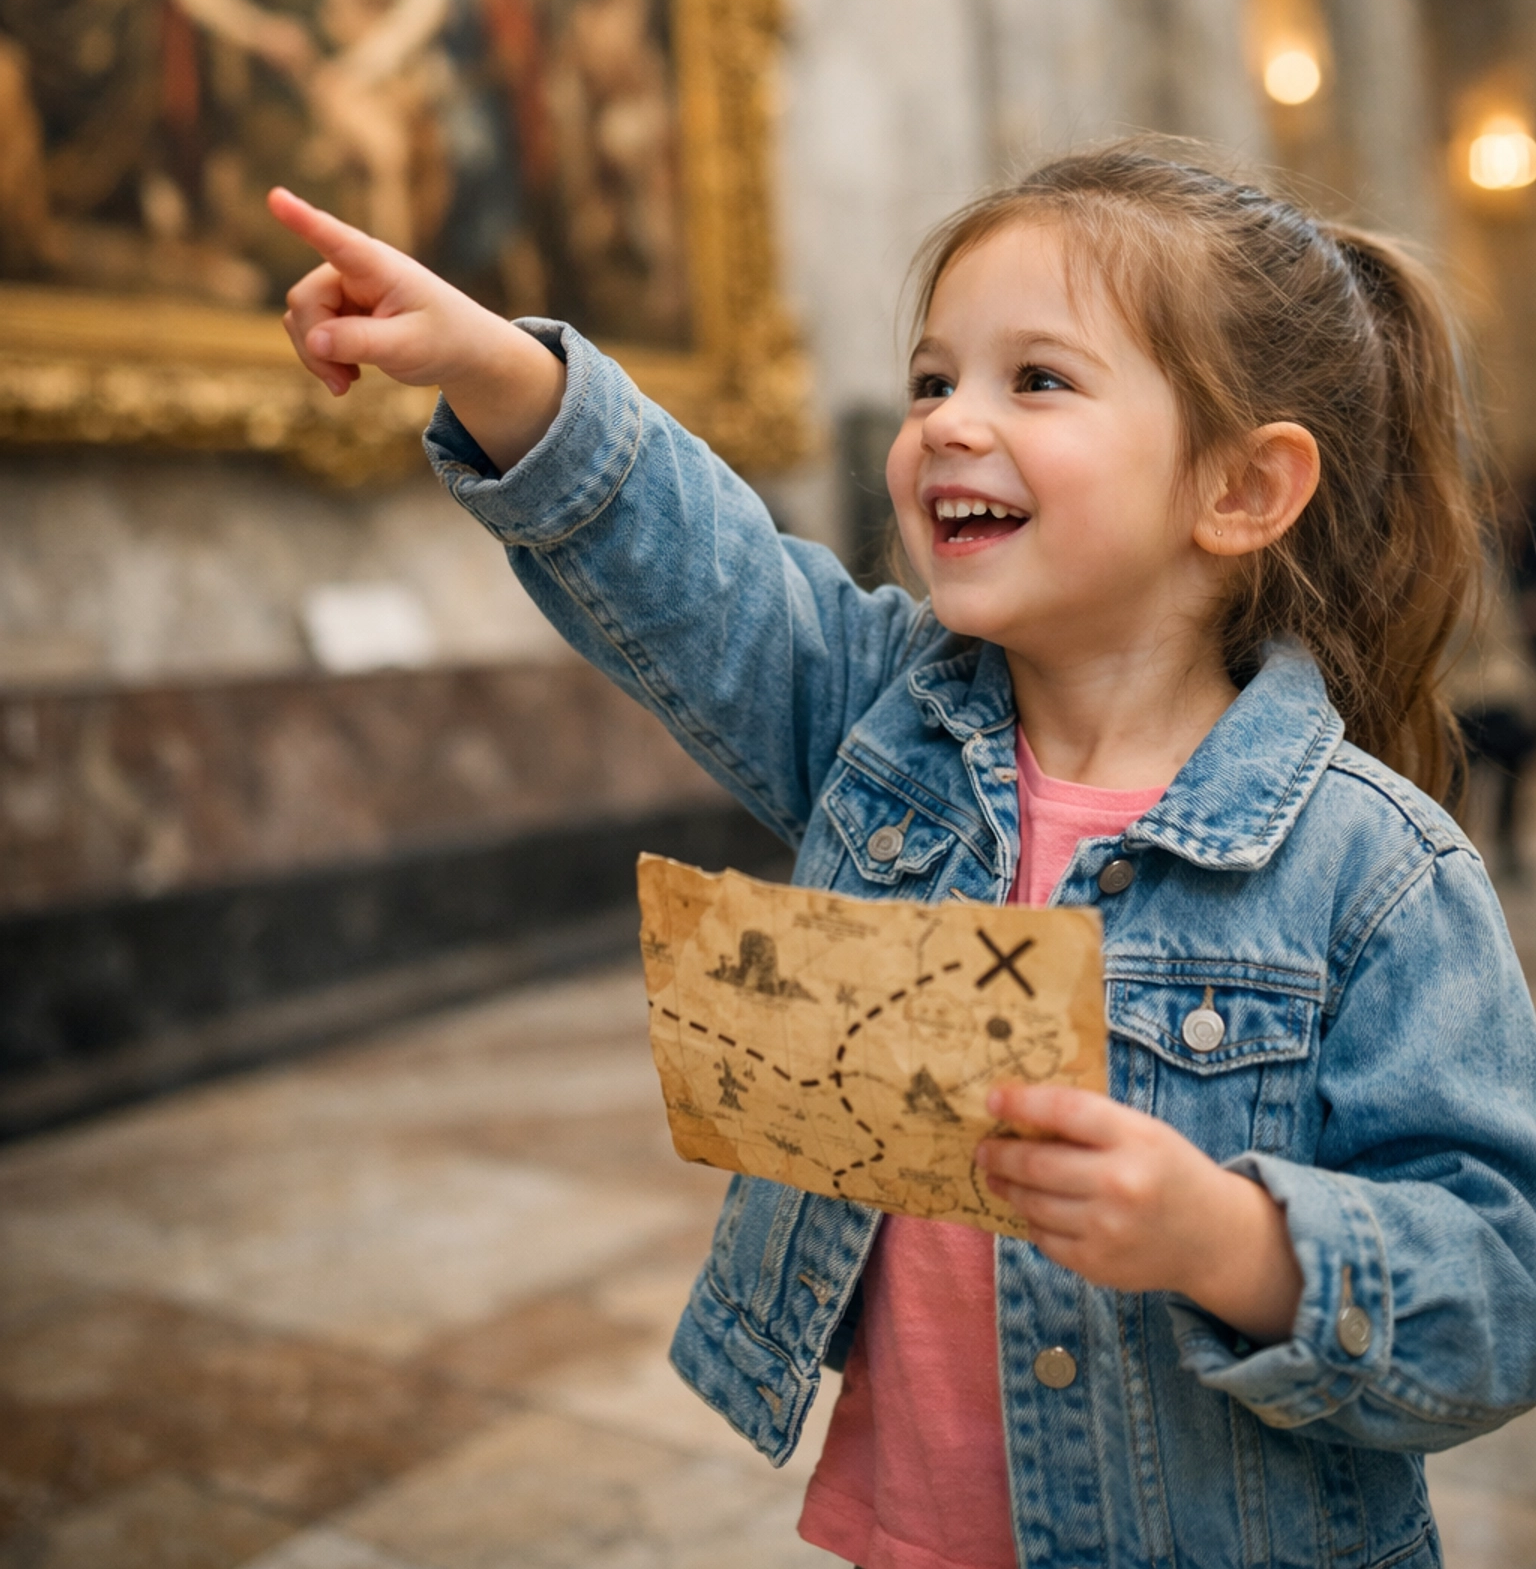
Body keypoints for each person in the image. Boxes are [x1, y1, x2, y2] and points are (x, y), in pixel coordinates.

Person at [267, 146, 1536, 1569]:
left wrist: (1228, 1241)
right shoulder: (883, 721)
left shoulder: (1377, 870)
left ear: (1242, 490)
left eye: (1035, 380)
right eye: (935, 380)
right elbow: (700, 573)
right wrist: (493, 367)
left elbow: (1504, 1279)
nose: (948, 423)